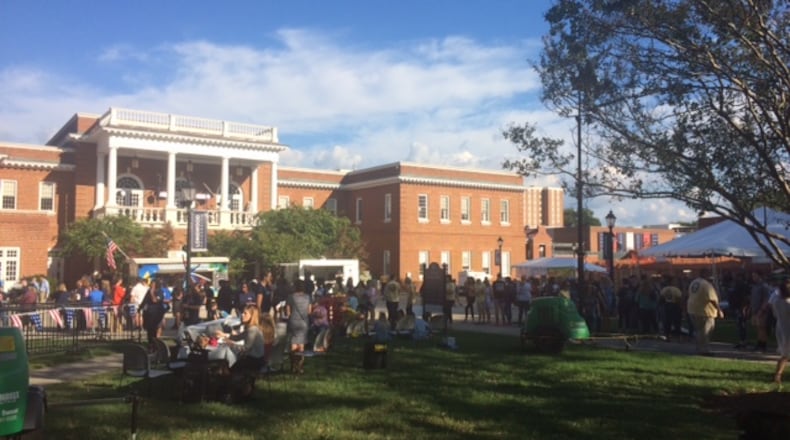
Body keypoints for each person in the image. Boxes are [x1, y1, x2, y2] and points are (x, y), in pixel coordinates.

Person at [686, 269, 724, 356]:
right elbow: (713, 299)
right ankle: (704, 350)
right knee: (706, 331)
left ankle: (699, 348)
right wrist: (719, 310)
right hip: (705, 311)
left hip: (692, 309)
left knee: (699, 330)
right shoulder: (706, 285)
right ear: (706, 275)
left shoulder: (694, 282)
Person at [765, 279, 790, 385]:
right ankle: (777, 375)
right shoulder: (787, 303)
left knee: (785, 354)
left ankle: (777, 375)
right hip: (788, 329)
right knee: (785, 355)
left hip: (780, 327)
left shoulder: (776, 301)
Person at [286, 278, 312, 374]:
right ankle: (300, 367)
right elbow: (309, 311)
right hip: (304, 322)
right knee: (301, 345)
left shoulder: (291, 297)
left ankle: (293, 365)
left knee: (293, 344)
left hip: (293, 321)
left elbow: (288, 312)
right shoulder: (308, 297)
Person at [141, 279, 166, 347]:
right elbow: (144, 300)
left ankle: (155, 343)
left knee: (154, 328)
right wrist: (140, 308)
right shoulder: (149, 291)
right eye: (151, 284)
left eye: (153, 284)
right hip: (149, 313)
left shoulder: (159, 291)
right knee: (149, 329)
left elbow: (155, 300)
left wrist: (152, 292)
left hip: (157, 313)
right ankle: (150, 343)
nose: (152, 285)